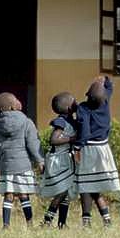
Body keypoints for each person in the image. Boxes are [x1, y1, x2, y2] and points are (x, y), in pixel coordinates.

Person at [0, 92, 42, 227]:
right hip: (23, 165)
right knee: (24, 195)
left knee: (8, 195)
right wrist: (39, 160)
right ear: (12, 107)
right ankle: (29, 223)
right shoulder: (26, 122)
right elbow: (32, 143)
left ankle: (6, 224)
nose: (19, 101)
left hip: (6, 167)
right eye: (16, 100)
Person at [73, 75, 117, 224]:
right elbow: (110, 89)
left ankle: (86, 220)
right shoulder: (105, 103)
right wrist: (105, 79)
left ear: (87, 96)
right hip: (104, 149)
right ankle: (107, 219)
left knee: (85, 186)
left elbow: (84, 131)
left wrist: (77, 147)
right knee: (96, 187)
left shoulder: (83, 108)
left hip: (89, 149)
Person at [40, 93, 79, 229]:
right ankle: (47, 220)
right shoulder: (61, 121)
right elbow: (54, 139)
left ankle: (62, 223)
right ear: (68, 107)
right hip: (58, 160)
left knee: (66, 192)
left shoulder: (71, 120)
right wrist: (71, 139)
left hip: (66, 159)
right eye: (74, 101)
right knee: (62, 191)